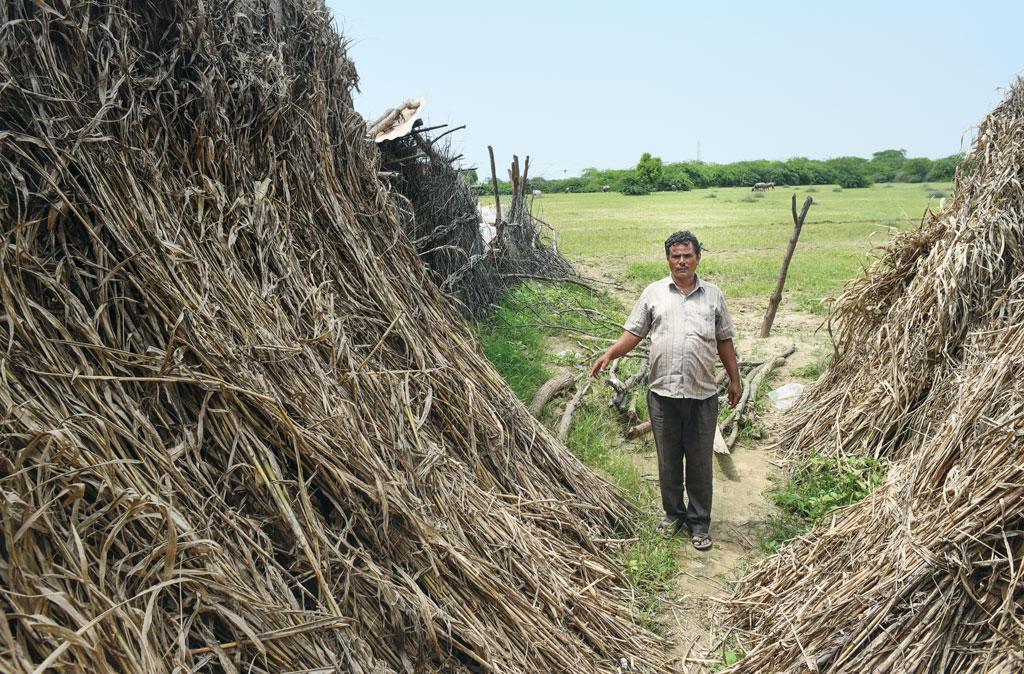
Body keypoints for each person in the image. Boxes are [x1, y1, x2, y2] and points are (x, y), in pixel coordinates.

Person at [590, 230, 740, 550]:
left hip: (702, 395)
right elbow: (634, 334)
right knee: (668, 460)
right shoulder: (654, 293)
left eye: (687, 255)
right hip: (662, 395)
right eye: (676, 256)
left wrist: (735, 379)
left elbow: (725, 340)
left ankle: (699, 524)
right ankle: (674, 515)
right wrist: (609, 354)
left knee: (699, 462)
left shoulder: (714, 296)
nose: (681, 261)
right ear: (668, 259)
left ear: (698, 257)